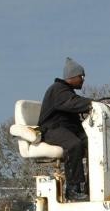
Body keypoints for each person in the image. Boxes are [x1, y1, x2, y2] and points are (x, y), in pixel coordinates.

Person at [38, 57, 93, 198]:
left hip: (67, 129)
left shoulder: (67, 91)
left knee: (95, 143)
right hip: (52, 130)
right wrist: (93, 104)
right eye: (81, 76)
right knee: (74, 145)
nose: (83, 79)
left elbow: (75, 102)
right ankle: (72, 189)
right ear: (72, 76)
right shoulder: (58, 90)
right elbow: (73, 104)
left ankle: (92, 185)